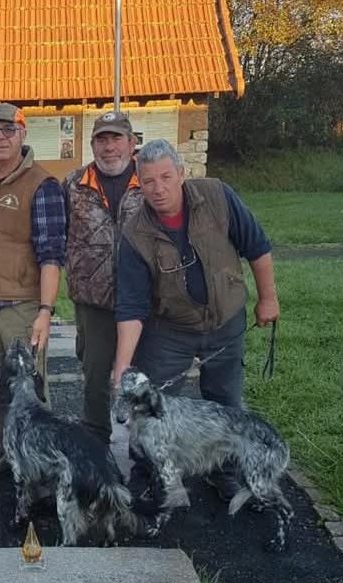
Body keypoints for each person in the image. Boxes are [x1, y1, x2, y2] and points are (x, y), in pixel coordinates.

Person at [112, 138, 280, 497]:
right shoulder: (134, 234)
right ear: (138, 183)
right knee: (151, 403)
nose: (158, 188)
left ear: (181, 174)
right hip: (170, 327)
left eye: (166, 177)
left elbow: (258, 246)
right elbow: (131, 307)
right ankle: (147, 467)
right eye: (148, 181)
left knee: (225, 402)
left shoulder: (218, 196)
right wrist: (123, 367)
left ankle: (224, 472)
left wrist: (268, 298)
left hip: (226, 319)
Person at [0, 102, 67, 477]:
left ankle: (42, 466)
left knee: (30, 394)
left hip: (19, 307)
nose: (0, 137)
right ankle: (12, 453)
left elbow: (52, 254)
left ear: (23, 133)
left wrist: (44, 311)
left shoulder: (42, 184)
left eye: (9, 130)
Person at [63, 111, 143, 444]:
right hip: (92, 300)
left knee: (141, 375)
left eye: (116, 138)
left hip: (141, 299)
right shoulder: (73, 184)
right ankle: (96, 441)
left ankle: (144, 445)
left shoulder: (149, 180)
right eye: (102, 139)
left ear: (132, 142)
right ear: (93, 143)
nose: (109, 147)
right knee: (94, 376)